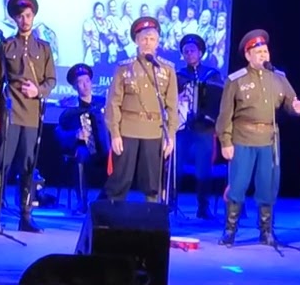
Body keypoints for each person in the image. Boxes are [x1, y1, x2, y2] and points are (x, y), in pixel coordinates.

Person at [216, 29, 300, 246]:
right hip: (243, 138)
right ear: (248, 55)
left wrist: (295, 107)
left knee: (268, 185)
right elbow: (225, 114)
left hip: (269, 139)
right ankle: (230, 230)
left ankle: (266, 231)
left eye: (265, 51)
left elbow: (290, 101)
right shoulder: (236, 80)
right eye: (258, 52)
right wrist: (225, 141)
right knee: (238, 185)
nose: (263, 55)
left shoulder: (278, 77)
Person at [0, 0, 55, 234]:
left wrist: (39, 90)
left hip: (32, 115)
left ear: (33, 16)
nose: (24, 20)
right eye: (20, 17)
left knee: (28, 165)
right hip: (10, 113)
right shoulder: (5, 46)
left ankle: (26, 216)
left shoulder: (43, 48)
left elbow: (51, 80)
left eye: (28, 15)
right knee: (1, 165)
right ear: (15, 19)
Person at [103, 17, 179, 203]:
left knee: (152, 182)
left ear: (158, 42)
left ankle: (151, 215)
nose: (148, 43)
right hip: (128, 129)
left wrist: (170, 136)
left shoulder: (167, 69)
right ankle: (112, 214)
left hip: (154, 130)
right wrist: (115, 133)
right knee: (120, 179)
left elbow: (172, 106)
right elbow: (113, 102)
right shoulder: (124, 68)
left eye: (152, 39)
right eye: (144, 39)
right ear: (136, 41)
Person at [175, 34, 224, 219]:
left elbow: (220, 98)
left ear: (200, 53)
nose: (189, 54)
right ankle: (171, 203)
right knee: (176, 167)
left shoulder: (212, 74)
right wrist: (179, 98)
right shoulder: (179, 76)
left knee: (204, 169)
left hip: (205, 127)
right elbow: (170, 100)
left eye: (192, 51)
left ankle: (203, 207)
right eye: (186, 51)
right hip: (184, 127)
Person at [57, 63, 108, 214]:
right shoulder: (71, 110)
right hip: (86, 149)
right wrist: (75, 135)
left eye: (87, 81)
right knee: (80, 155)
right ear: (75, 87)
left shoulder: (104, 102)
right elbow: (59, 132)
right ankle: (82, 202)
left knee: (122, 158)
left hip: (106, 147)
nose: (85, 85)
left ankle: (103, 201)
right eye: (80, 82)